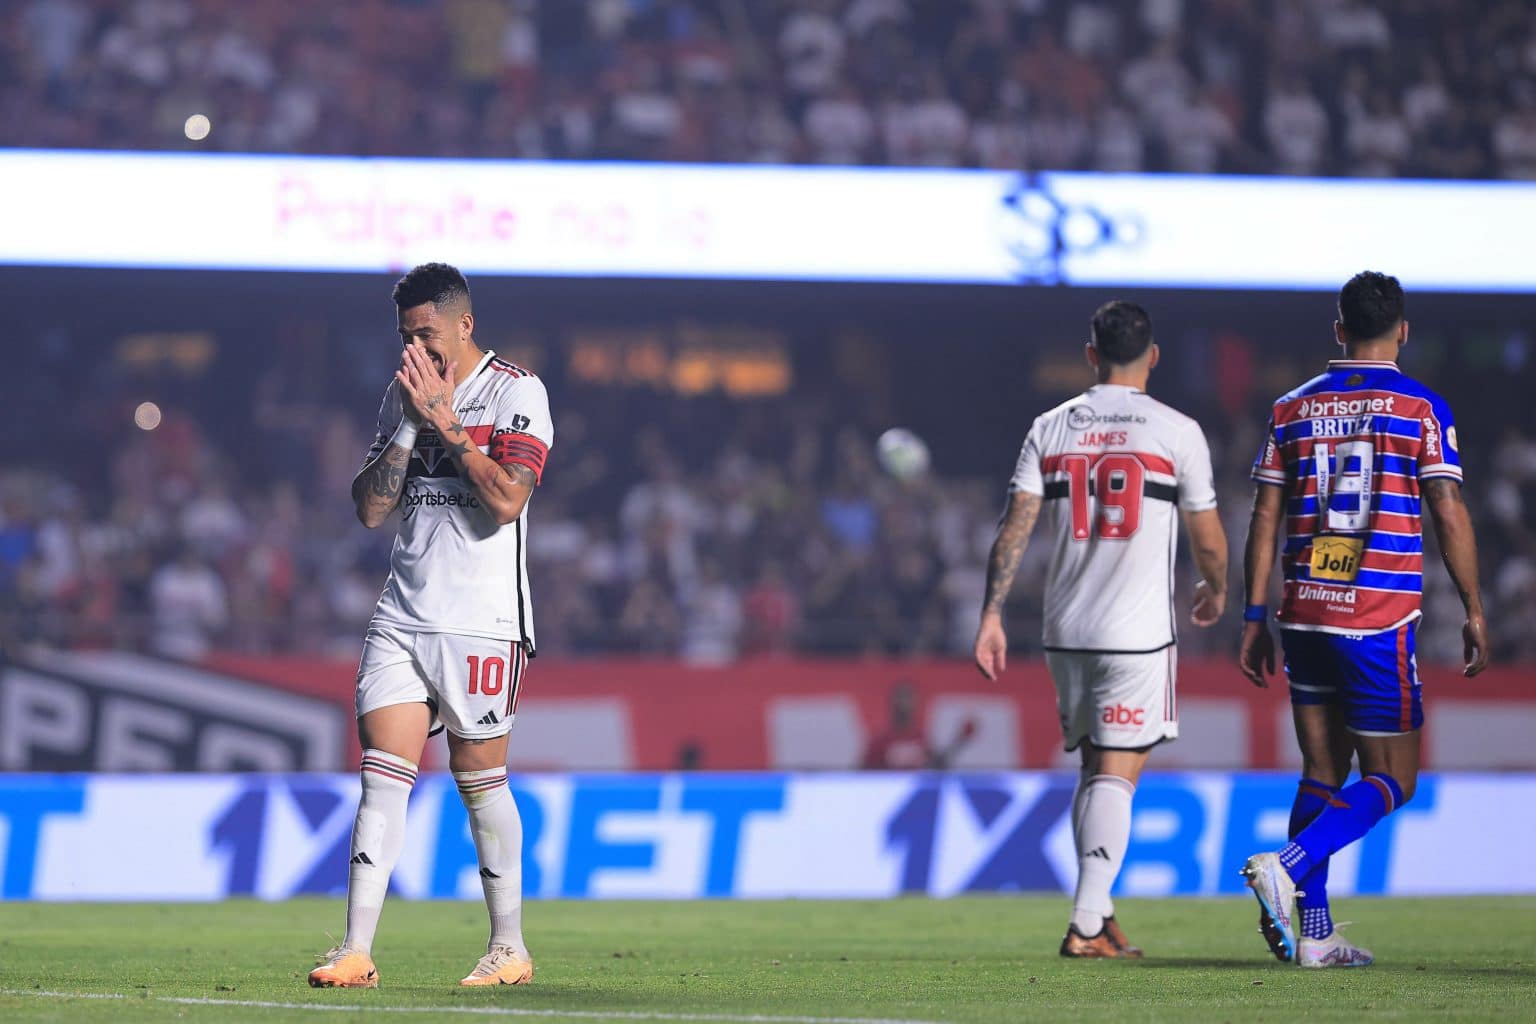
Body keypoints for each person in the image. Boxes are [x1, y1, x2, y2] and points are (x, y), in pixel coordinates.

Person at [307, 263, 554, 988]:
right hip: (402, 614)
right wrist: (413, 421)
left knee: (480, 781)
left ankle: (508, 947)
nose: (416, 348)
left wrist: (445, 418)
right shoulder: (402, 395)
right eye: (406, 336)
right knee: (382, 777)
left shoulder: (516, 392)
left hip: (482, 618)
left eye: (427, 333)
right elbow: (370, 509)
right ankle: (355, 950)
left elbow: (506, 502)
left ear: (464, 324)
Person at [1239, 271, 1487, 967]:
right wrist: (1473, 607)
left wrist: (1253, 616)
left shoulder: (1291, 407)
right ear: (1403, 331)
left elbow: (1264, 515)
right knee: (1394, 778)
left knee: (1322, 768)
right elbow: (1448, 510)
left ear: (1339, 328)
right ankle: (1287, 865)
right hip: (1376, 619)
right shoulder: (1420, 408)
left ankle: (1316, 935)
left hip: (1304, 611)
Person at [974, 300, 1228, 959]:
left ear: (1091, 355)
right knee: (1118, 773)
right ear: (1154, 356)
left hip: (1066, 630)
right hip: (1135, 633)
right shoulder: (1176, 431)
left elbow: (1014, 528)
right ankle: (1086, 924)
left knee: (1093, 770)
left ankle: (1101, 912)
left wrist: (992, 613)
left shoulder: (1051, 426)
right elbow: (1207, 537)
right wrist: (1217, 586)